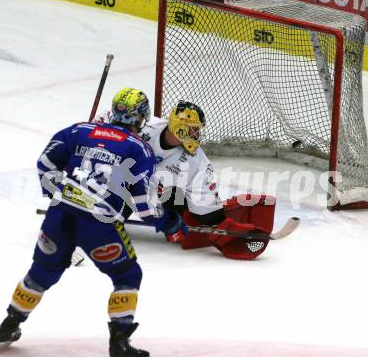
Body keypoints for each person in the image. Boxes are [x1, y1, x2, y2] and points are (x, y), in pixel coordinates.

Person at [0, 87, 188, 357]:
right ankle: (120, 347)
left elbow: (45, 164)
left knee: (42, 271)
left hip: (58, 218)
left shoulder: (79, 130)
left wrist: (56, 192)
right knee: (127, 276)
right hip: (99, 225)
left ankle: (8, 327)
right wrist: (168, 221)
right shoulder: (139, 148)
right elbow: (144, 205)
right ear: (141, 117)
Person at [96, 100, 276, 260]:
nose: (197, 134)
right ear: (179, 127)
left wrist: (225, 228)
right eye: (193, 129)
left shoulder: (195, 161)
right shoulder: (145, 127)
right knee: (101, 220)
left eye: (197, 129)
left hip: (157, 198)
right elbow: (109, 119)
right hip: (125, 186)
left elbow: (206, 210)